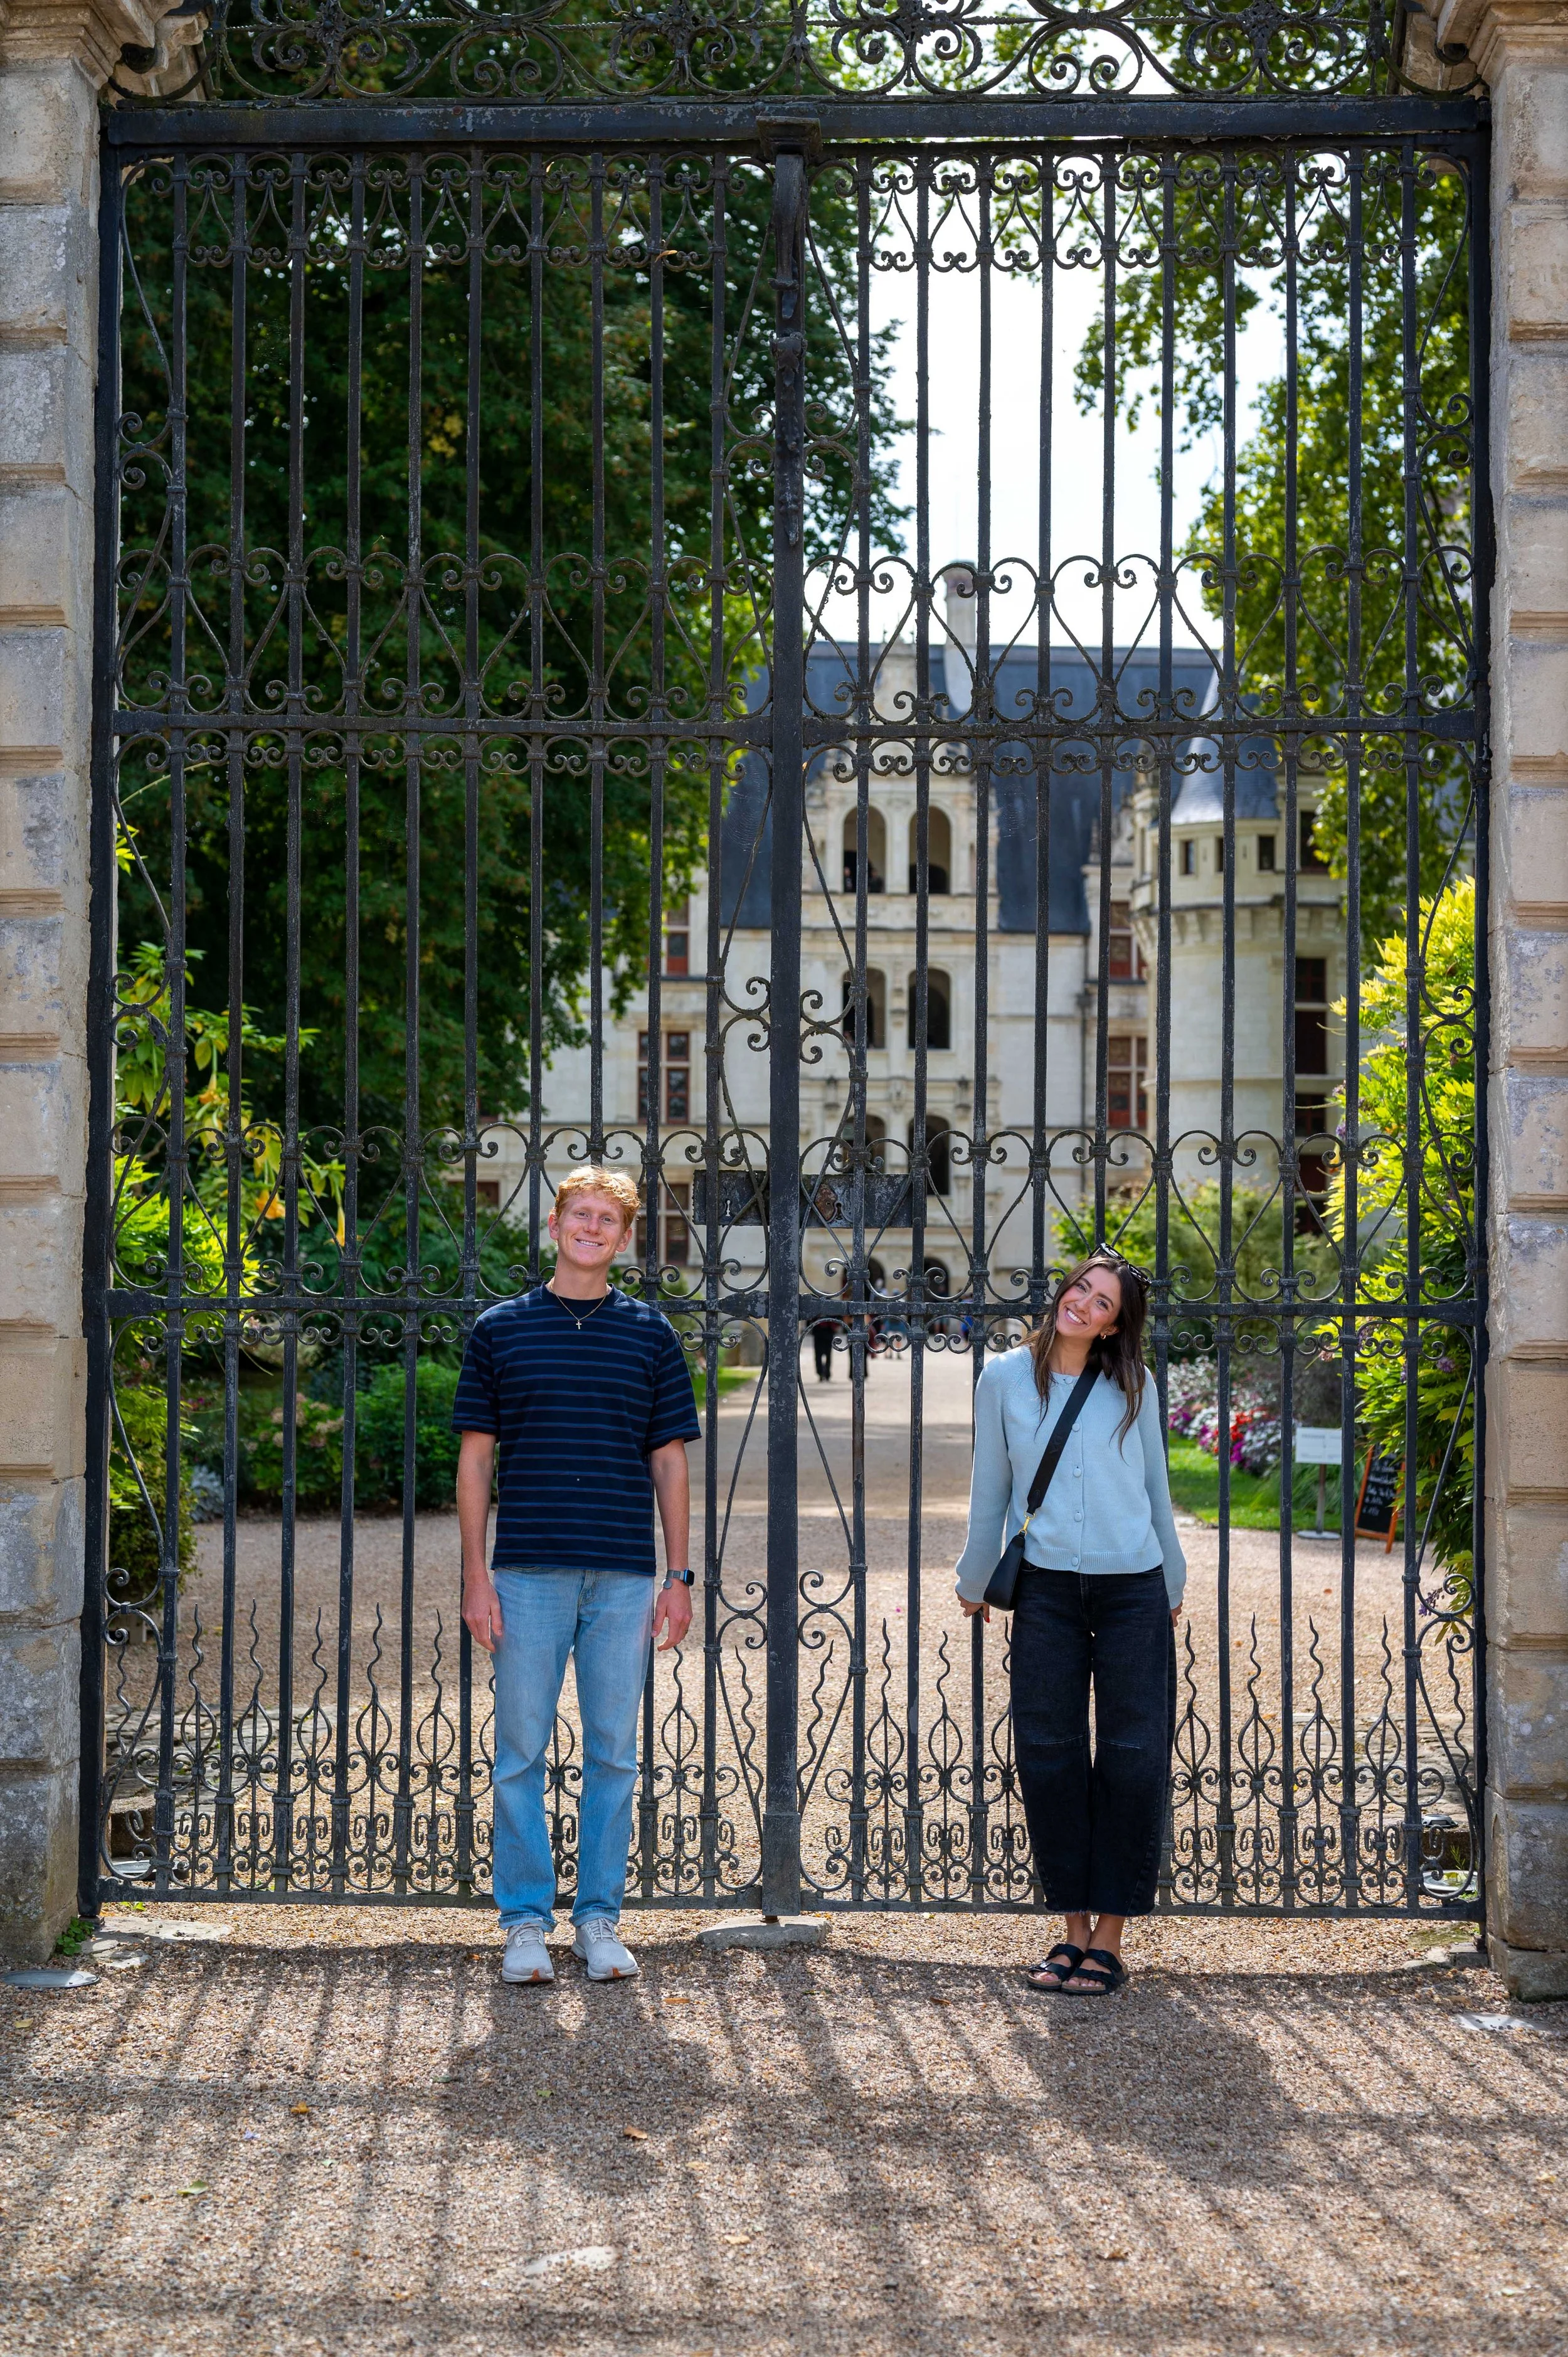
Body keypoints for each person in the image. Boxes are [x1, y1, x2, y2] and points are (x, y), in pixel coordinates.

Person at [453, 1166, 700, 1986]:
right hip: (525, 1571)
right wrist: (474, 1577)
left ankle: (598, 1919)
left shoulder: (650, 1334)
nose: (592, 1228)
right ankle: (525, 1923)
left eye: (608, 1220)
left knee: (613, 1754)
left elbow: (668, 1463)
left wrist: (680, 1576)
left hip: (626, 1574)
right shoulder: (500, 1329)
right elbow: (477, 1459)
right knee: (520, 1750)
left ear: (624, 1240)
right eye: (579, 1214)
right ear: (554, 1224)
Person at [953, 1251, 1185, 1997]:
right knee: (1048, 1752)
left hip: (1132, 1588)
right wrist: (974, 1574)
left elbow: (1155, 1483)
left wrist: (1172, 1578)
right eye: (1080, 1287)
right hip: (1047, 1589)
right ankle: (1071, 1928)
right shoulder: (1002, 1379)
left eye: (1102, 1300)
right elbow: (990, 1485)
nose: (1083, 1303)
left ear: (1117, 1321)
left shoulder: (1134, 1385)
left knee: (1132, 1754)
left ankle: (1110, 1935)